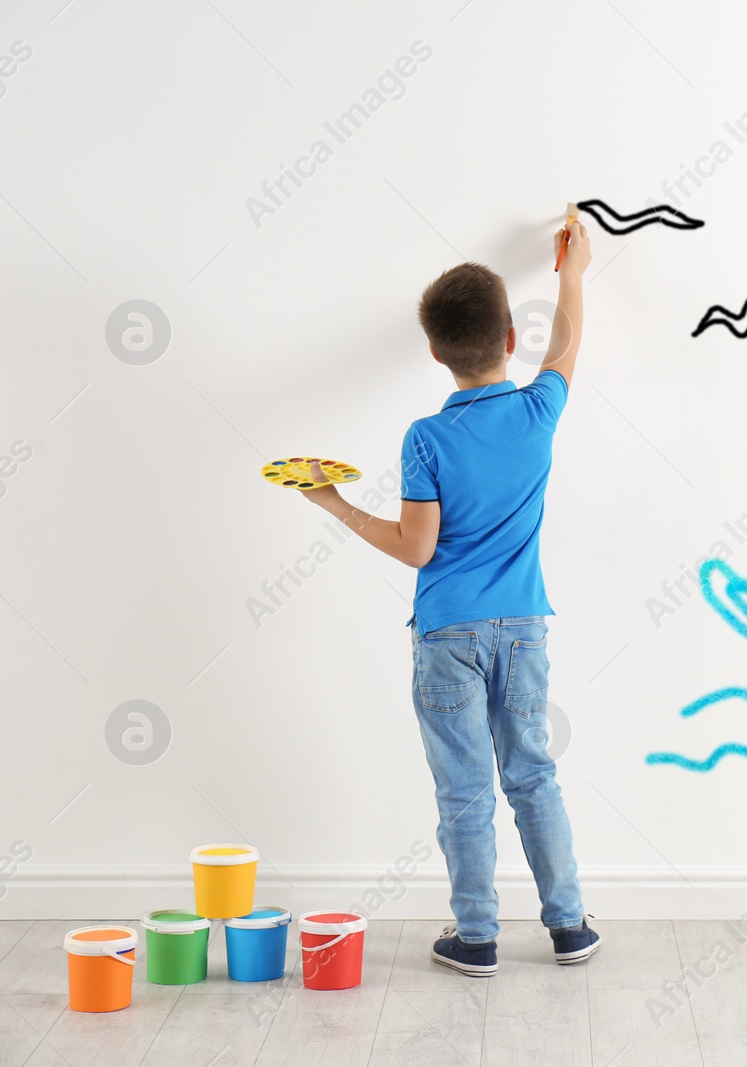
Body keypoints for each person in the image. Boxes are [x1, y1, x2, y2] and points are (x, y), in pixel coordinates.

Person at [294, 219, 598, 977]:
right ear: (508, 337)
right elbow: (567, 343)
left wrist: (334, 501)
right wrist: (573, 269)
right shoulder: (540, 410)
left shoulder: (426, 437)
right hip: (525, 629)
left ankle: (478, 936)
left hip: (447, 635)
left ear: (434, 351)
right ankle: (568, 926)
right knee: (533, 773)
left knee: (465, 786)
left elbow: (417, 548)